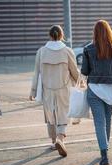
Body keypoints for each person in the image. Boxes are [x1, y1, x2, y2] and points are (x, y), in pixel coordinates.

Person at [81, 20, 112, 165]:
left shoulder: (88, 49)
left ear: (95, 33)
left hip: (94, 89)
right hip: (110, 90)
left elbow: (84, 71)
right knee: (107, 121)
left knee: (99, 123)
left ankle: (104, 153)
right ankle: (105, 151)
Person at [29, 25, 79, 157]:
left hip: (47, 89)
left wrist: (33, 91)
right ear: (61, 36)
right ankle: (60, 139)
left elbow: (36, 73)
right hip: (63, 88)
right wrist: (80, 83)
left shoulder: (41, 51)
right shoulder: (67, 51)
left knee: (50, 115)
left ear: (50, 36)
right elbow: (74, 70)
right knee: (63, 114)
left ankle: (53, 141)